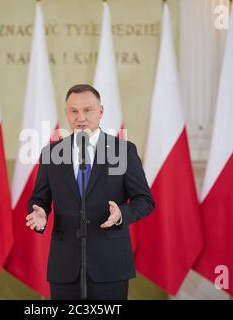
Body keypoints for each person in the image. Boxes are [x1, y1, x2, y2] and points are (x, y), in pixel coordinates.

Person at [26, 84, 155, 300]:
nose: (81, 117)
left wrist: (121, 214)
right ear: (66, 113)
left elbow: (145, 200)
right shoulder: (51, 153)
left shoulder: (123, 151)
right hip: (65, 267)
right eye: (74, 111)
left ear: (101, 112)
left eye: (88, 110)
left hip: (110, 266)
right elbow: (39, 199)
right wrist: (39, 215)